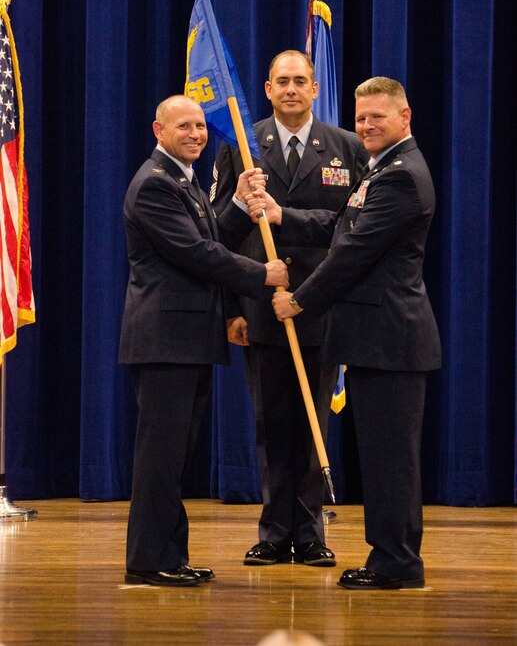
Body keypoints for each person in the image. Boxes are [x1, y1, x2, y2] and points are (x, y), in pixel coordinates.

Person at [249, 76, 441, 589]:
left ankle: (396, 564)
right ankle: (389, 557)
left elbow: (352, 254)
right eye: (360, 118)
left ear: (405, 116)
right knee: (382, 458)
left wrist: (300, 300)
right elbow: (341, 225)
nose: (366, 125)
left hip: (391, 340)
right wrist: (281, 214)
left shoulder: (401, 176)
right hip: (377, 341)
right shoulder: (382, 169)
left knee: (391, 461)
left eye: (378, 116)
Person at [119, 95, 288, 587]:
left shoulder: (182, 180)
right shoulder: (154, 185)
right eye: (184, 126)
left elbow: (214, 236)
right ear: (158, 129)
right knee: (160, 458)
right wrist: (264, 274)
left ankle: (170, 554)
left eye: (200, 126)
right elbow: (196, 254)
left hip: (187, 340)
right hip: (164, 341)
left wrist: (237, 201)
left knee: (175, 457)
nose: (196, 134)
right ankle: (149, 561)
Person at [212, 50, 367, 567]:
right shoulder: (241, 142)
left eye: (301, 81)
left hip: (320, 306)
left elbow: (354, 230)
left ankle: (311, 532)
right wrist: (235, 305)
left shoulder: (347, 148)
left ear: (316, 88)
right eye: (283, 82)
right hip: (261, 306)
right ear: (268, 88)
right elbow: (222, 233)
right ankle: (276, 530)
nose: (292, 90)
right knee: (271, 421)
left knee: (314, 420)